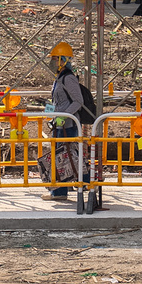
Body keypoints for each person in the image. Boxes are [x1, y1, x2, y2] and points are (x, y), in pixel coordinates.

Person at [42, 41, 87, 202]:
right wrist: (50, 112)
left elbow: (78, 101)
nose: (52, 62)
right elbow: (59, 101)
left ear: (63, 60)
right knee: (65, 156)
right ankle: (73, 185)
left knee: (64, 157)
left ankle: (60, 191)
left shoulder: (68, 78)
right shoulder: (59, 78)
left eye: (55, 59)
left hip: (69, 125)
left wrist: (65, 115)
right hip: (60, 124)